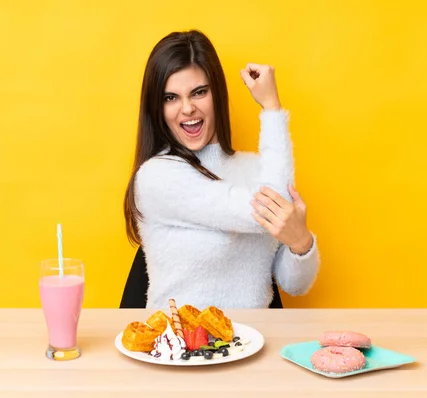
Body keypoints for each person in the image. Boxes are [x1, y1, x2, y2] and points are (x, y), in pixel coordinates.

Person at [123, 29, 320, 309]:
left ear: (217, 94)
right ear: (157, 108)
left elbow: (294, 284)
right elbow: (271, 210)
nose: (187, 108)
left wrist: (301, 243)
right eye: (171, 98)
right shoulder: (157, 176)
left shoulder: (257, 169)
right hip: (182, 347)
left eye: (199, 92)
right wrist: (272, 108)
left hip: (253, 345)